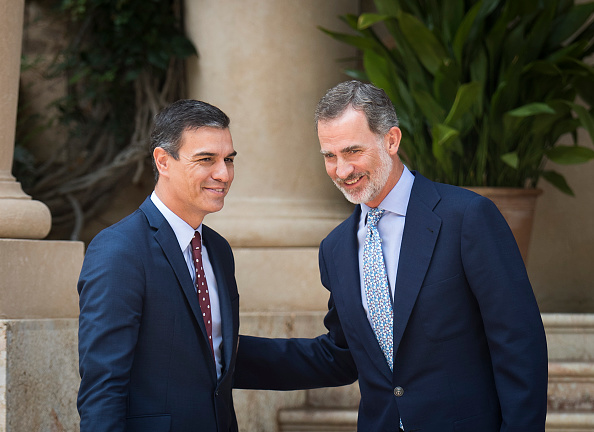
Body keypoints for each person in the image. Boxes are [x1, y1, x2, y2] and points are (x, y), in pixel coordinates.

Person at [234, 81, 548, 431]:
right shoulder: (335, 249)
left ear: (392, 140)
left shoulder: (468, 218)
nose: (342, 170)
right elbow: (340, 356)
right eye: (329, 156)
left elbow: (519, 344)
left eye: (353, 151)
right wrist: (219, 354)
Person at [77, 99, 240, 432]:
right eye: (206, 159)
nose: (223, 174)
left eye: (228, 160)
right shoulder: (118, 250)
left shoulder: (218, 250)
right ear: (163, 161)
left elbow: (211, 352)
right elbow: (103, 387)